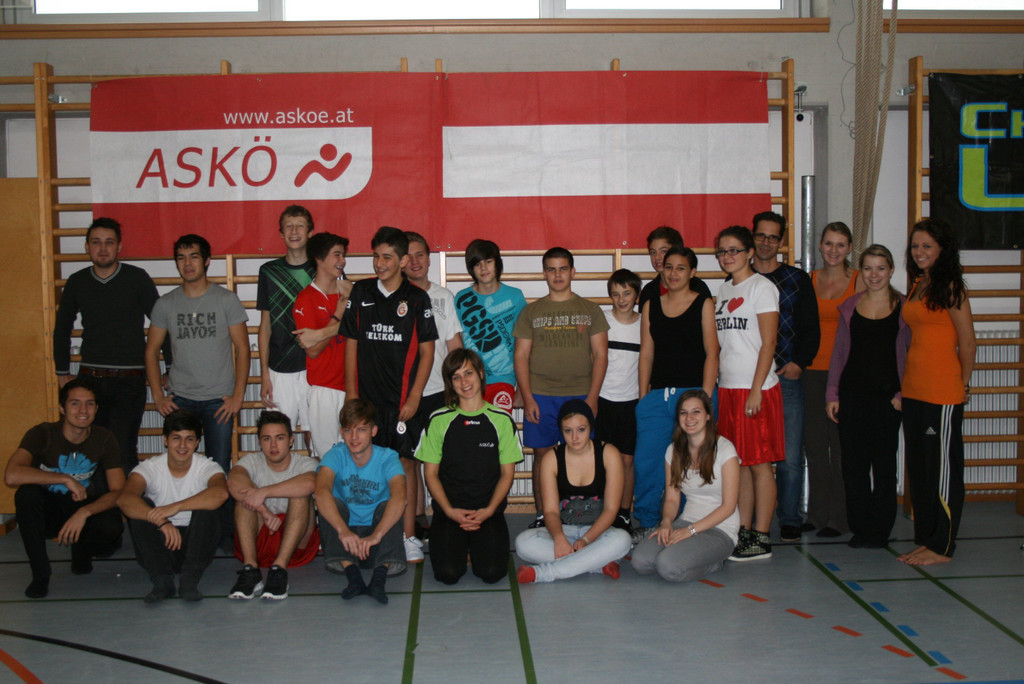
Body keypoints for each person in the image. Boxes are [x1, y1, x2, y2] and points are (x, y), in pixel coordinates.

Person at [340, 226, 438, 565]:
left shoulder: (417, 299)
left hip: (401, 403)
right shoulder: (361, 292)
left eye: (387, 257)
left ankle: (409, 537)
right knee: (367, 466)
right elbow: (351, 344)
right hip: (366, 401)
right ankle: (370, 533)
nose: (379, 263)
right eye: (376, 256)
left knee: (405, 465)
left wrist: (414, 397)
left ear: (403, 261)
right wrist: (351, 395)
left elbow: (427, 352)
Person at [53, 217, 167, 474]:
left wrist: (169, 366)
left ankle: (125, 501)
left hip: (130, 381)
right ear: (87, 247)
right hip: (90, 381)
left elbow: (162, 325)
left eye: (109, 242)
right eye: (96, 242)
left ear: (119, 247)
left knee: (123, 451)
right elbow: (62, 329)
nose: (102, 248)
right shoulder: (77, 281)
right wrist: (62, 372)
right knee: (89, 451)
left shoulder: (137, 278)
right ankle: (95, 500)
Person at [898, 219, 976, 566]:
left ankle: (943, 546)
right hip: (914, 390)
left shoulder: (952, 287)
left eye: (927, 246)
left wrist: (964, 384)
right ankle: (927, 539)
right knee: (921, 470)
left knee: (943, 471)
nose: (919, 252)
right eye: (916, 246)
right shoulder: (919, 283)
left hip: (942, 392)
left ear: (942, 249)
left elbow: (968, 341)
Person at [514, 247, 609, 527]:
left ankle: (583, 515)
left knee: (583, 455)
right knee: (542, 458)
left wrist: (592, 397)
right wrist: (528, 397)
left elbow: (601, 356)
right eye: (551, 269)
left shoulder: (590, 310)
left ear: (573, 272)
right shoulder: (530, 312)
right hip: (541, 396)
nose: (557, 275)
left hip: (580, 396)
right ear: (544, 273)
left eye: (563, 268)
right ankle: (543, 516)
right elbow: (520, 356)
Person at [4, 377, 124, 599]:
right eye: (75, 403)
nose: (83, 410)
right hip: (49, 510)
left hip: (81, 506)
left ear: (96, 409)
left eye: (89, 404)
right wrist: (64, 479)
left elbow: (118, 492)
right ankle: (41, 575)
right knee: (26, 495)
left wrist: (84, 513)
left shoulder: (105, 438)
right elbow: (11, 476)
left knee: (112, 526)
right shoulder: (43, 433)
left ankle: (82, 549)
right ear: (62, 408)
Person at [634, 246, 720, 543]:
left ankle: (683, 522)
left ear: (692, 272)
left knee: (690, 463)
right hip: (658, 397)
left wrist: (704, 399)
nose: (673, 273)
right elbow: (646, 354)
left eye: (680, 268)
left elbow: (712, 352)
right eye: (668, 267)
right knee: (646, 463)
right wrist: (643, 398)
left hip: (694, 395)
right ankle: (647, 522)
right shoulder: (651, 305)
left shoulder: (703, 303)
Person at [826, 245, 910, 549]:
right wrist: (833, 393)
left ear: (891, 271)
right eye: (868, 268)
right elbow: (839, 353)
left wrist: (902, 394)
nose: (874, 275)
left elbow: (912, 355)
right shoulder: (849, 307)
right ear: (860, 271)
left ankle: (880, 530)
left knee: (884, 466)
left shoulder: (905, 308)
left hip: (888, 400)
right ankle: (861, 528)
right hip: (852, 398)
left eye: (881, 268)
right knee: (854, 466)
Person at [144, 234, 249, 475]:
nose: (187, 263)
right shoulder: (166, 303)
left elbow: (243, 349)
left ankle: (216, 503)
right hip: (180, 398)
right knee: (179, 466)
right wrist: (158, 397)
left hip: (219, 400)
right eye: (181, 258)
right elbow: (151, 352)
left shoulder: (226, 300)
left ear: (207, 260)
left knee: (218, 467)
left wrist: (238, 396)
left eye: (193, 257)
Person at [415, 349, 522, 584]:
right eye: (456, 377)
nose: (464, 382)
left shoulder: (502, 420)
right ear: (450, 383)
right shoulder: (438, 420)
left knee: (492, 573)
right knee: (448, 574)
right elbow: (430, 474)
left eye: (468, 373)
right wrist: (449, 511)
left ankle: (478, 545)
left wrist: (489, 510)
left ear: (481, 374)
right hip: (450, 511)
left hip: (488, 511)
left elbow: (507, 474)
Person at [750, 211, 820, 543]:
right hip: (750, 381)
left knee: (790, 455)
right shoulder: (741, 279)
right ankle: (748, 517)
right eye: (760, 235)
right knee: (749, 455)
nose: (766, 242)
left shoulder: (797, 279)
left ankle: (790, 517)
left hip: (786, 378)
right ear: (752, 237)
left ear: (781, 241)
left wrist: (799, 363)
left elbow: (811, 329)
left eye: (772, 237)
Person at [714, 225, 783, 561]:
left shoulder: (762, 288)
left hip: (756, 389)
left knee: (761, 465)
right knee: (739, 463)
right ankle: (743, 530)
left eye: (734, 250)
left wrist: (756, 389)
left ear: (750, 252)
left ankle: (762, 535)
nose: (727, 257)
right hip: (728, 389)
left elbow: (769, 343)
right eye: (722, 251)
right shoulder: (723, 289)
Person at [515, 399, 632, 583]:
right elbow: (550, 511)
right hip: (564, 530)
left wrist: (586, 540)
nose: (575, 437)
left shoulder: (609, 454)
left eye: (581, 430)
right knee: (523, 543)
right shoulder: (551, 458)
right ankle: (597, 565)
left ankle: (543, 573)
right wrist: (559, 538)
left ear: (590, 427)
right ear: (561, 431)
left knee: (623, 540)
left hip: (598, 532)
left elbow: (611, 509)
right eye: (568, 431)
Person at [118, 410, 228, 603]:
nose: (183, 445)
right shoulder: (150, 467)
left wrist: (176, 507)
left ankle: (189, 580)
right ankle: (162, 580)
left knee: (208, 506)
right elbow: (124, 500)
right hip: (159, 544)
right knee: (142, 506)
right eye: (176, 438)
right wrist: (162, 522)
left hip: (195, 545)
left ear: (197, 443)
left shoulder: (208, 467)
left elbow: (221, 493)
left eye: (189, 439)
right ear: (165, 440)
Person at [631, 390, 740, 582]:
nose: (689, 418)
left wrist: (691, 531)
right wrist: (666, 522)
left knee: (668, 567)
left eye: (696, 411)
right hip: (686, 521)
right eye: (683, 413)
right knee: (641, 561)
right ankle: (690, 554)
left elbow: (729, 507)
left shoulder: (725, 450)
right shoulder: (673, 451)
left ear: (708, 416)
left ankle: (715, 561)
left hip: (720, 529)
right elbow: (672, 499)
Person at [315, 399, 407, 604]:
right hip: (345, 542)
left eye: (361, 430)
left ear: (373, 431)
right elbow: (320, 491)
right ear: (341, 432)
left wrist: (376, 535)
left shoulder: (388, 457)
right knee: (331, 502)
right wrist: (343, 531)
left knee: (390, 505)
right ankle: (353, 577)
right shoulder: (335, 455)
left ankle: (378, 579)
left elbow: (400, 497)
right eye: (348, 430)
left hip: (378, 541)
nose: (354, 437)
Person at [803, 222, 863, 538]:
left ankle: (841, 518)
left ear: (850, 248)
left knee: (841, 450)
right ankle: (816, 514)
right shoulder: (810, 279)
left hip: (845, 375)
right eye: (829, 243)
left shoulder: (859, 280)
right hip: (812, 373)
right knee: (815, 448)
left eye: (840, 245)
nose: (834, 250)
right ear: (820, 245)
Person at [403, 231, 464, 541]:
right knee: (408, 459)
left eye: (420, 255)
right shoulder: (395, 297)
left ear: (429, 259)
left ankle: (444, 516)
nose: (415, 261)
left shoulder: (444, 297)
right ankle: (415, 519)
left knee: (440, 459)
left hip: (440, 391)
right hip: (405, 392)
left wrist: (461, 387)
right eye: (409, 256)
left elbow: (455, 345)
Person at [226, 410, 319, 600]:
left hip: (296, 546)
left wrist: (264, 492)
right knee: (245, 498)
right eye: (267, 439)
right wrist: (264, 511)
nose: (273, 445)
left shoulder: (305, 463)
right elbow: (233, 481)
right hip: (260, 541)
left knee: (300, 494)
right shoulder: (251, 461)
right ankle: (250, 569)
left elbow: (311, 483)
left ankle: (279, 569)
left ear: (291, 440)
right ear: (259, 442)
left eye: (280, 438)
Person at [256, 205, 316, 433]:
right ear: (281, 233)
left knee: (316, 434)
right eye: (288, 227)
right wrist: (264, 374)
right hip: (279, 369)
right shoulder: (269, 271)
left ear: (310, 232)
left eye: (300, 226)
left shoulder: (323, 268)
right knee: (276, 434)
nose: (294, 231)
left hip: (316, 366)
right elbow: (265, 326)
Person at [293, 232, 352, 459]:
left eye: (343, 255)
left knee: (355, 458)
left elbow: (360, 330)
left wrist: (320, 333)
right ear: (319, 258)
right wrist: (339, 314)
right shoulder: (306, 298)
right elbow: (313, 350)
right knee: (327, 460)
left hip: (352, 387)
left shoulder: (350, 292)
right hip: (324, 389)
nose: (342, 261)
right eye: (337, 255)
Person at [455, 239, 527, 412]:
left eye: (488, 261)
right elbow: (456, 342)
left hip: (504, 379)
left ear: (497, 263)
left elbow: (525, 346)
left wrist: (522, 389)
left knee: (498, 426)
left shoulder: (515, 297)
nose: (483, 268)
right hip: (470, 380)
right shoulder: (461, 299)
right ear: (471, 268)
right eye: (477, 264)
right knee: (472, 427)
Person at [596, 269, 642, 534]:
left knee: (626, 460)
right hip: (602, 399)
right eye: (615, 294)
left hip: (631, 401)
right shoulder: (602, 319)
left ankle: (624, 513)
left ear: (636, 294)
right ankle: (604, 510)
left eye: (627, 293)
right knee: (603, 459)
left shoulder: (644, 323)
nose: (622, 299)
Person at [637, 226, 712, 311]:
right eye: (653, 252)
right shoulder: (648, 291)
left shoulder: (698, 287)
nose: (657, 257)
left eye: (663, 251)